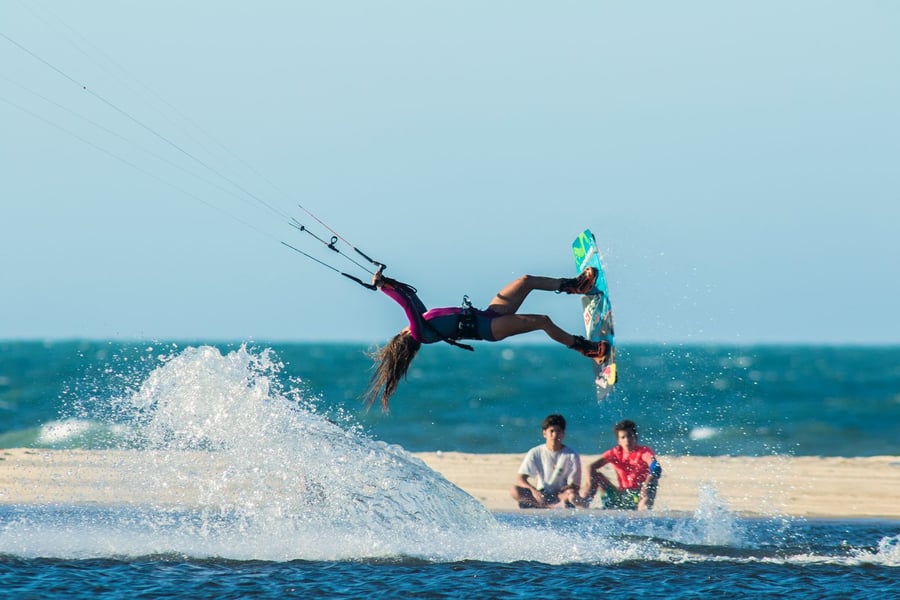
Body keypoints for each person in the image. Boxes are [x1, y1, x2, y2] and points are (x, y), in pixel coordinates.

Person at [365, 267, 609, 410]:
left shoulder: (422, 320)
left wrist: (385, 283)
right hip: (490, 328)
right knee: (542, 321)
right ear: (402, 337)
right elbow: (406, 304)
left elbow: (410, 296)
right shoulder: (420, 333)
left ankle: (577, 286)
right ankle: (585, 349)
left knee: (526, 281)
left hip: (488, 313)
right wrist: (383, 286)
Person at [510, 414, 586, 509]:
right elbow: (520, 479)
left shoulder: (571, 455)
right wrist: (534, 491)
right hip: (541, 493)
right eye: (551, 431)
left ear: (563, 434)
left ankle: (542, 506)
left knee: (572, 496)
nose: (554, 435)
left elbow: (575, 486)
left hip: (560, 494)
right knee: (515, 490)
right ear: (544, 433)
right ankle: (547, 506)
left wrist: (566, 490)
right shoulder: (535, 452)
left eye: (558, 431)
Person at [583, 419, 662, 510]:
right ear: (618, 441)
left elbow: (656, 467)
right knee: (596, 476)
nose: (627, 440)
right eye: (623, 437)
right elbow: (590, 467)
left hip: (639, 494)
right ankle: (585, 504)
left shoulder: (643, 451)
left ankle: (643, 508)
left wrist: (646, 484)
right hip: (621, 495)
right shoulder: (615, 453)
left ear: (635, 437)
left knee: (653, 479)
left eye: (630, 436)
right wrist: (588, 486)